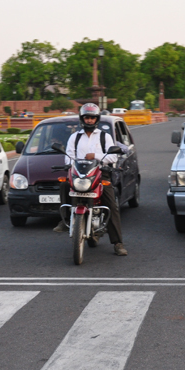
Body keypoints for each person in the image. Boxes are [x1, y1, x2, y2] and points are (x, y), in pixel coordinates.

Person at [53, 103, 127, 256]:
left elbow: (112, 155)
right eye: (87, 117)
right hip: (79, 174)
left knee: (111, 204)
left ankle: (118, 243)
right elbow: (69, 156)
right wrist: (70, 165)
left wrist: (96, 156)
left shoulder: (104, 136)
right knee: (64, 185)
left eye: (92, 118)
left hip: (100, 173)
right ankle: (65, 219)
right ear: (82, 119)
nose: (89, 120)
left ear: (97, 119)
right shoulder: (75, 137)